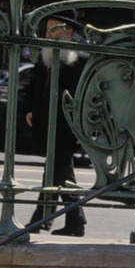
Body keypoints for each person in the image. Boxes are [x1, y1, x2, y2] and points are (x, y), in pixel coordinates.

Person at [25, 13, 88, 236]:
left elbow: (88, 97)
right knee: (55, 171)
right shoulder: (44, 56)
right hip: (46, 122)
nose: (48, 34)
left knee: (59, 169)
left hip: (67, 126)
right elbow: (34, 87)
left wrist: (83, 126)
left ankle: (51, 219)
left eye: (54, 29)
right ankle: (58, 220)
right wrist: (30, 109)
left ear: (68, 32)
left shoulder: (81, 60)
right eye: (47, 29)